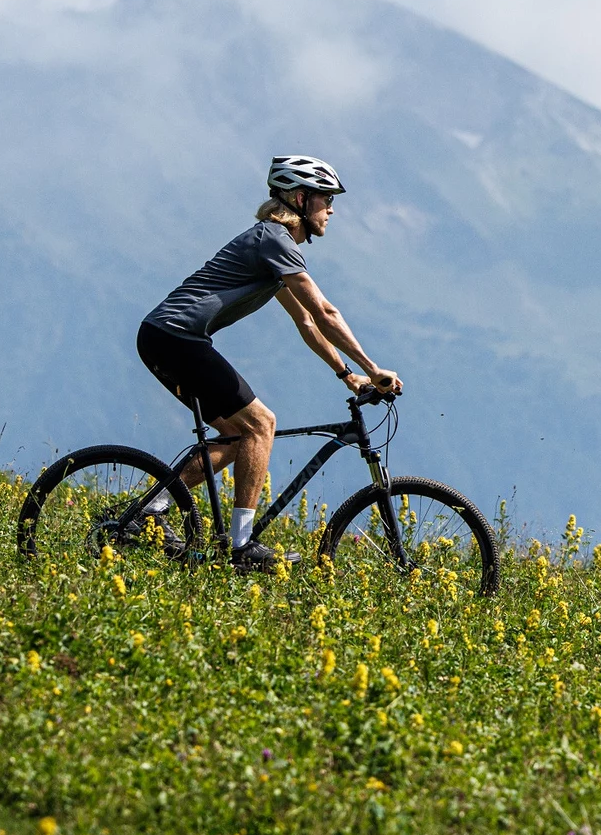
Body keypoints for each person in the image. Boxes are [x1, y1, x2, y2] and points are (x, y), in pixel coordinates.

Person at [136, 155, 403, 571]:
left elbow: (307, 322)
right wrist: (374, 368)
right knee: (262, 425)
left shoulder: (272, 249)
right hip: (175, 338)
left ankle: (147, 512)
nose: (331, 210)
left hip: (166, 338)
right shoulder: (273, 240)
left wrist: (347, 374)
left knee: (234, 436)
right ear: (300, 198)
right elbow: (325, 312)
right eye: (326, 199)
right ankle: (240, 546)